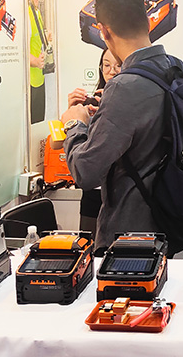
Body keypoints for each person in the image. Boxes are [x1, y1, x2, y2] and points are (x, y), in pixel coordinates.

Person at [61, 0, 183, 252]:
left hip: (129, 237)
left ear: (104, 31)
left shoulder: (124, 87)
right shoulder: (181, 70)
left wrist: (75, 124)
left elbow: (85, 172)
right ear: (147, 22)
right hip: (177, 217)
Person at [66, 48, 121, 235]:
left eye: (118, 66)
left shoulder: (130, 103)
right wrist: (73, 114)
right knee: (88, 245)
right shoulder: (91, 101)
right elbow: (56, 143)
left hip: (119, 194)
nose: (112, 71)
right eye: (106, 65)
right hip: (92, 192)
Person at [28, 0, 53, 124]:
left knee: (40, 120)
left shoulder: (36, 11)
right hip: (30, 80)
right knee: (32, 121)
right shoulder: (26, 14)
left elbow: (36, 38)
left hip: (40, 77)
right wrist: (34, 61)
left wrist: (46, 38)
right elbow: (21, 49)